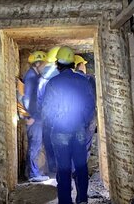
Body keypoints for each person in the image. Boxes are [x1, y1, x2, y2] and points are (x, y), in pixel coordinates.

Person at [41, 47, 96, 204]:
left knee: (63, 169)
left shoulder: (52, 83)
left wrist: (52, 125)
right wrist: (82, 122)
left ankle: (65, 201)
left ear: (58, 64)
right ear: (73, 63)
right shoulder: (84, 81)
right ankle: (82, 199)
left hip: (60, 132)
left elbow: (46, 112)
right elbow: (90, 106)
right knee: (81, 166)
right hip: (79, 130)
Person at [23, 50, 49, 182]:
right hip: (34, 119)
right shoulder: (31, 77)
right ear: (37, 63)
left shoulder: (35, 76)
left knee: (36, 145)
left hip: (36, 118)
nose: (45, 66)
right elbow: (27, 99)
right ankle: (33, 174)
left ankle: (32, 172)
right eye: (44, 63)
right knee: (35, 145)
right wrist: (30, 116)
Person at [36, 46, 61, 176]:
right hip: (61, 117)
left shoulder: (41, 79)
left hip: (46, 117)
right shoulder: (61, 78)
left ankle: (52, 170)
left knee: (49, 143)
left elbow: (39, 99)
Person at [74, 55, 97, 161]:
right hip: (88, 116)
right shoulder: (89, 79)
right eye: (84, 64)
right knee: (86, 144)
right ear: (80, 65)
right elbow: (94, 96)